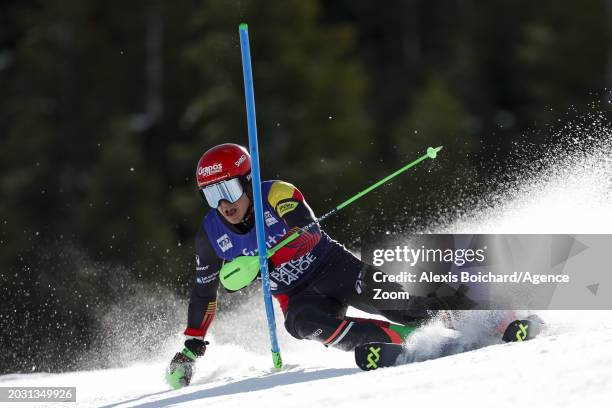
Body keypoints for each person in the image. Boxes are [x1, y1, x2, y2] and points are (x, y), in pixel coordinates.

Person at [166, 143, 470, 388]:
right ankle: (399, 341)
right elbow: (204, 292)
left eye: (228, 190)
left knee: (403, 306)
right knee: (301, 323)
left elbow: (308, 234)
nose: (224, 204)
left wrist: (268, 257)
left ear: (247, 181)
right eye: (212, 195)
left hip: (335, 269)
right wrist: (192, 345)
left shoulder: (276, 193)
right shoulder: (210, 234)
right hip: (298, 296)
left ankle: (467, 316)